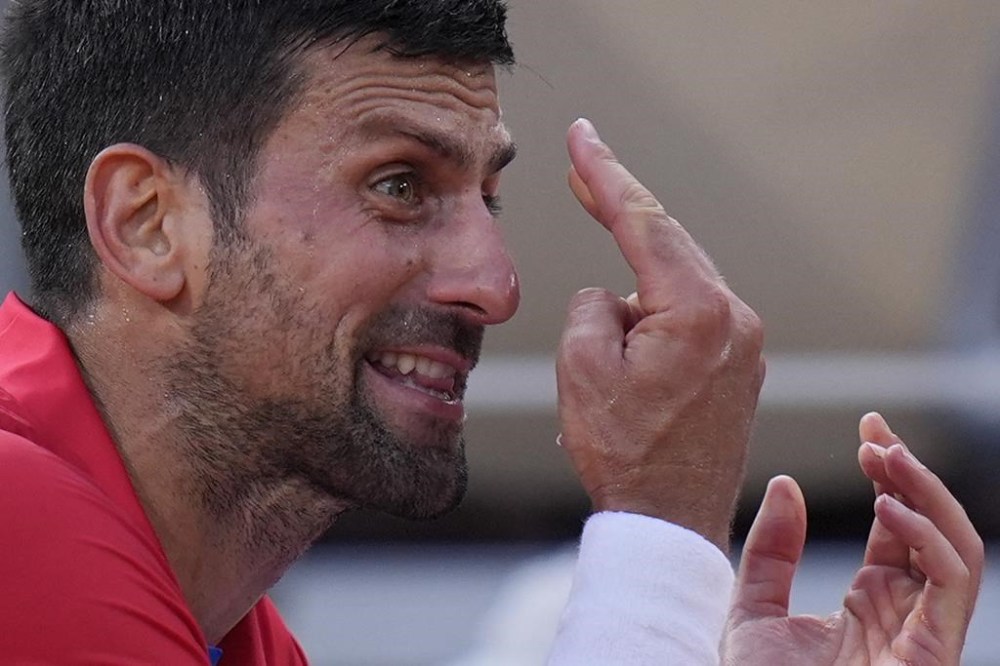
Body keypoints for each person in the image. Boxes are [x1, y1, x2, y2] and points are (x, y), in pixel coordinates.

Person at [0, 0, 981, 664]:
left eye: (490, 200)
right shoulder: (18, 527)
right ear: (146, 223)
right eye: (398, 186)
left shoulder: (215, 621)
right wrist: (659, 535)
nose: (495, 286)